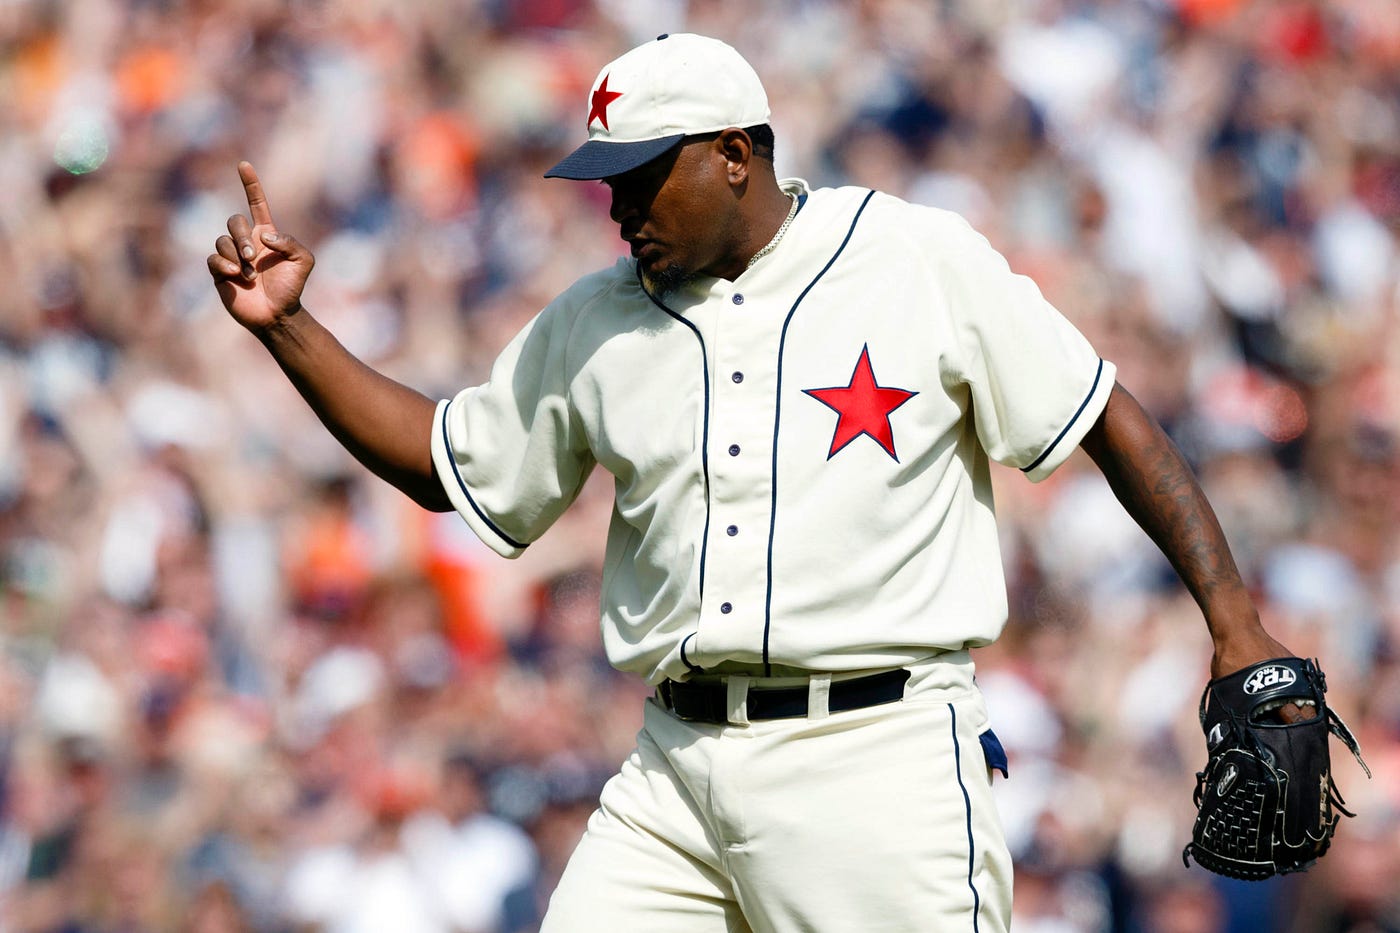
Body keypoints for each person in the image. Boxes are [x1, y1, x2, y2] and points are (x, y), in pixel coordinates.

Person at [209, 32, 1304, 933]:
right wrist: (290, 331)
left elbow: (1104, 415)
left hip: (873, 759)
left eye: (643, 178)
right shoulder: (596, 318)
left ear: (733, 153)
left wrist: (1233, 623)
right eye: (606, 184)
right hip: (672, 769)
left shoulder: (911, 257)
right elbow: (448, 464)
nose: (619, 209)